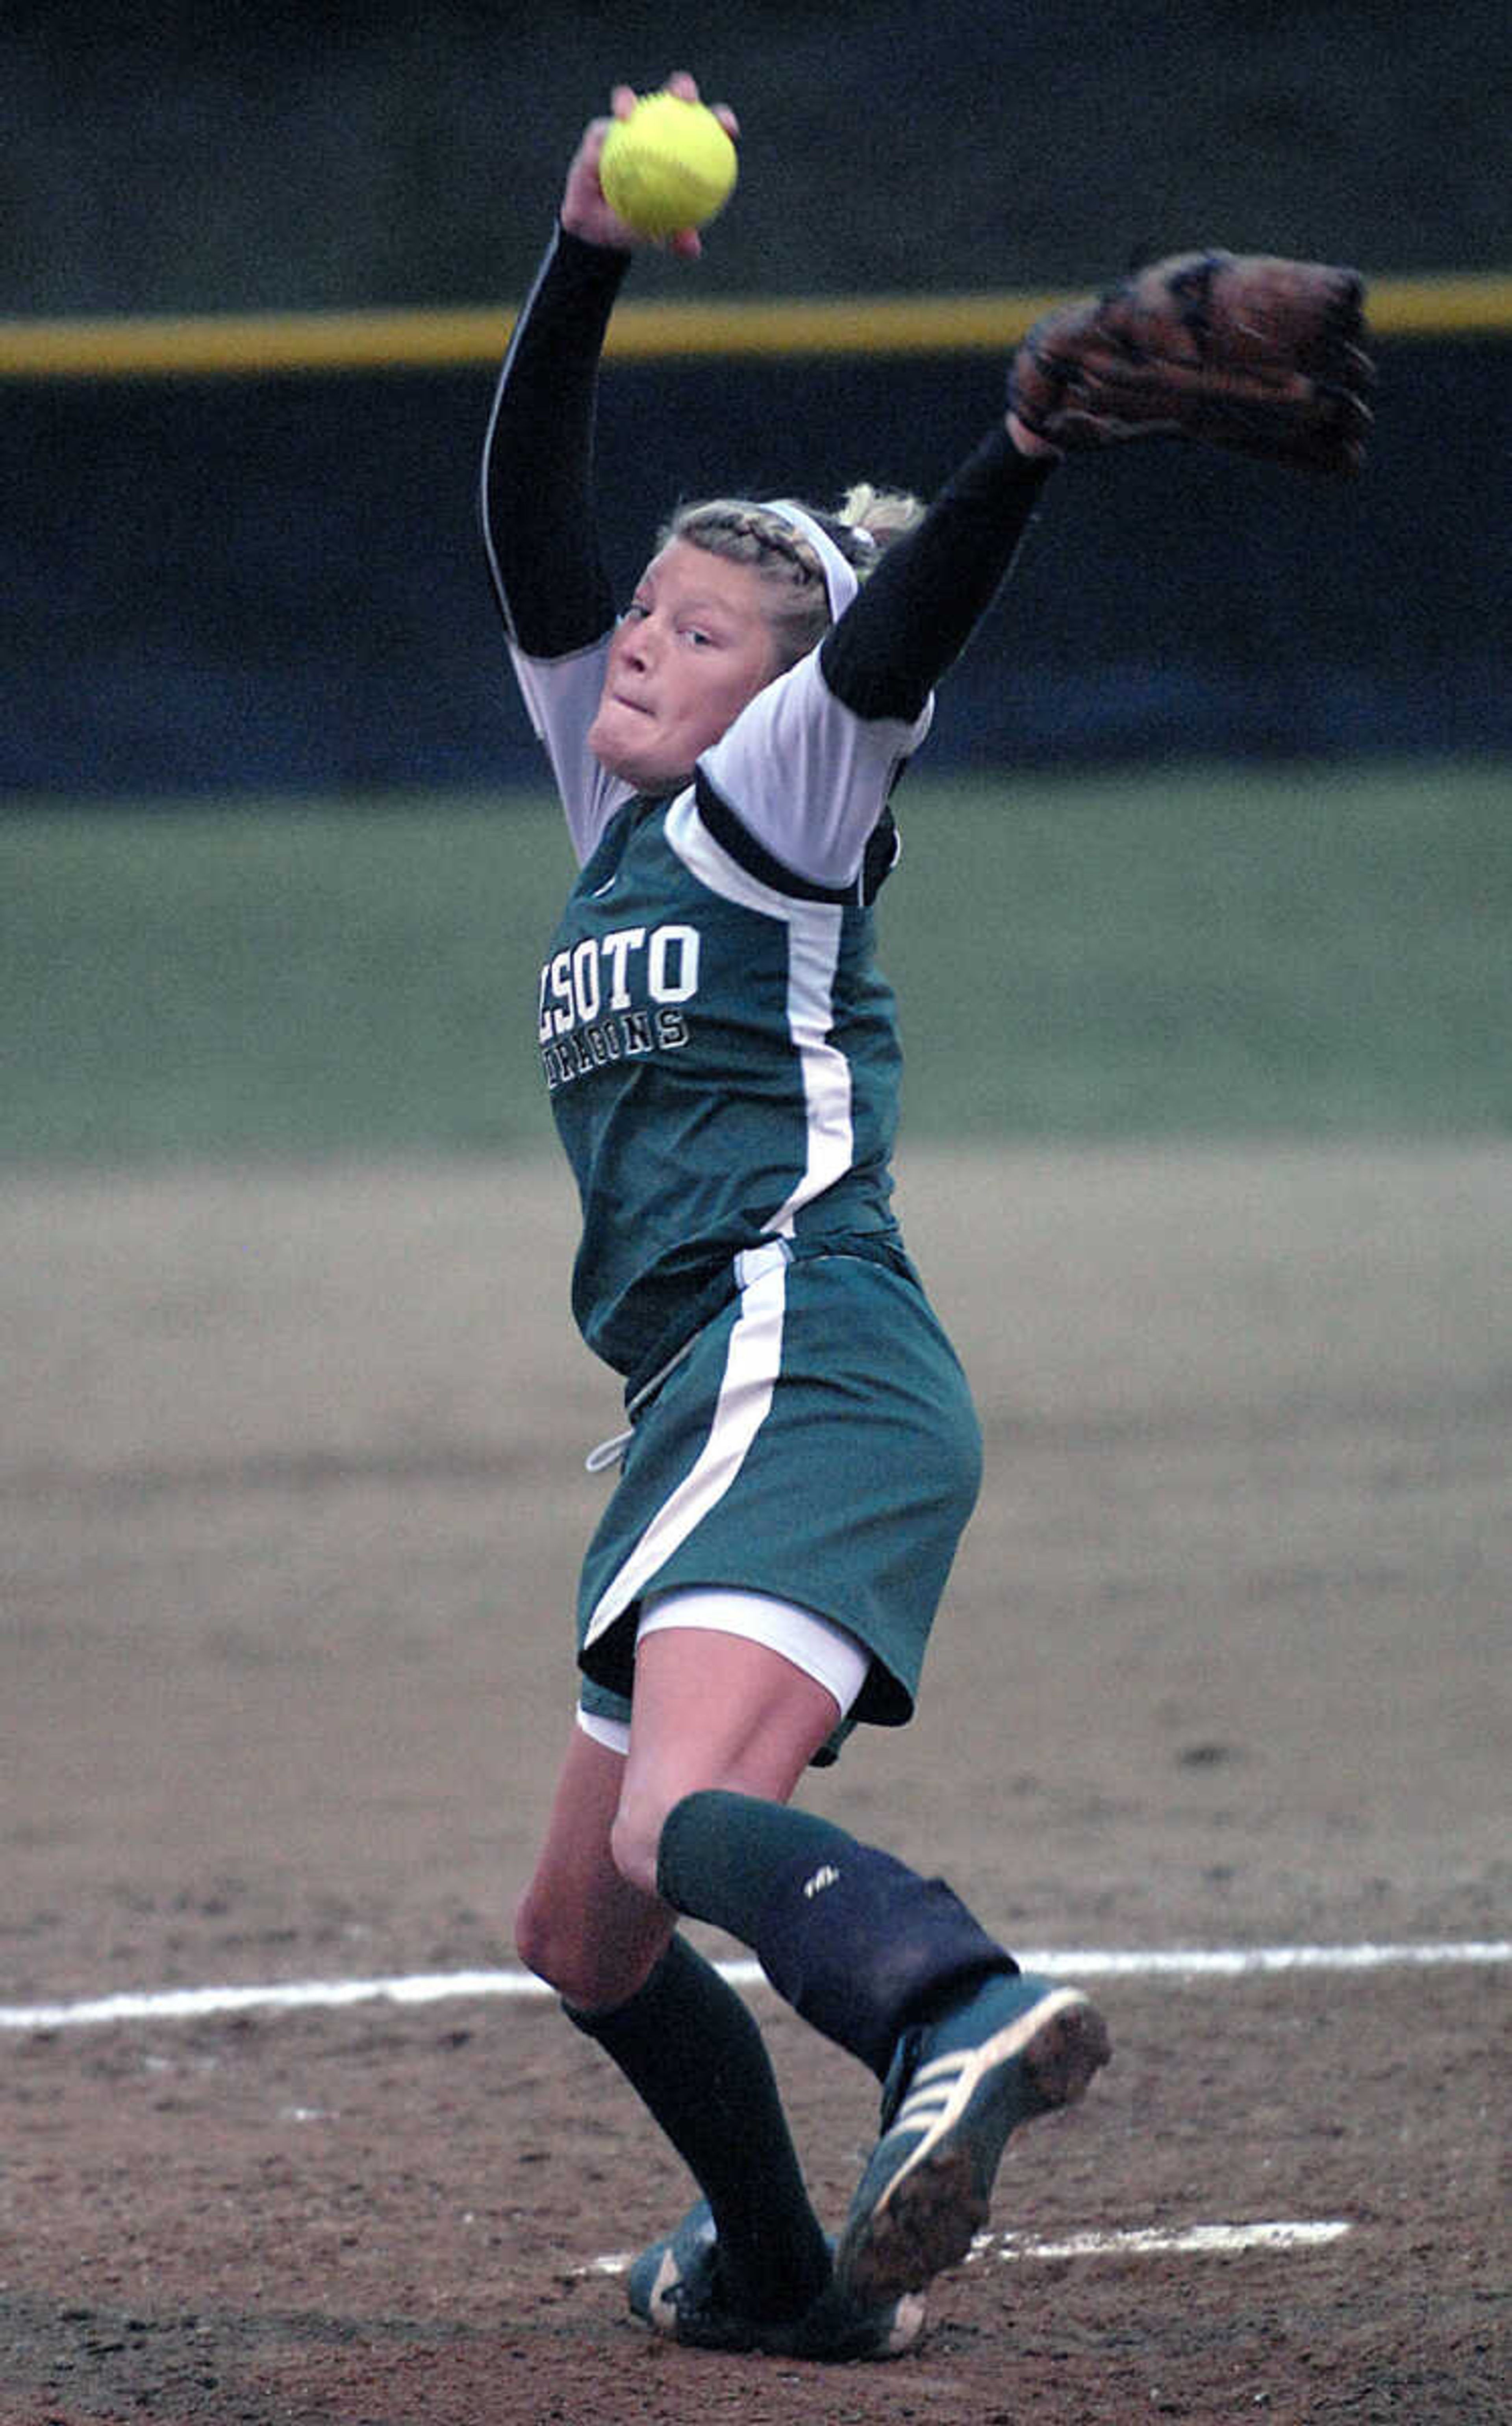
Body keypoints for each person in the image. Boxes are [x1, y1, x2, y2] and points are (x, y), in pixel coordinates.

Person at [480, 70, 1112, 2362]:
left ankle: (954, 1997)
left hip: (802, 1348)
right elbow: (528, 517)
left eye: (705, 630)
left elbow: (903, 627)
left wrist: (1018, 449)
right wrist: (587, 252)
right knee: (586, 1926)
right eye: (644, 619)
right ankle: (782, 2283)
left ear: (783, 698)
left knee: (676, 1838)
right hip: (703, 1396)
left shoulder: (783, 802)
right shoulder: (615, 809)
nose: (645, 642)